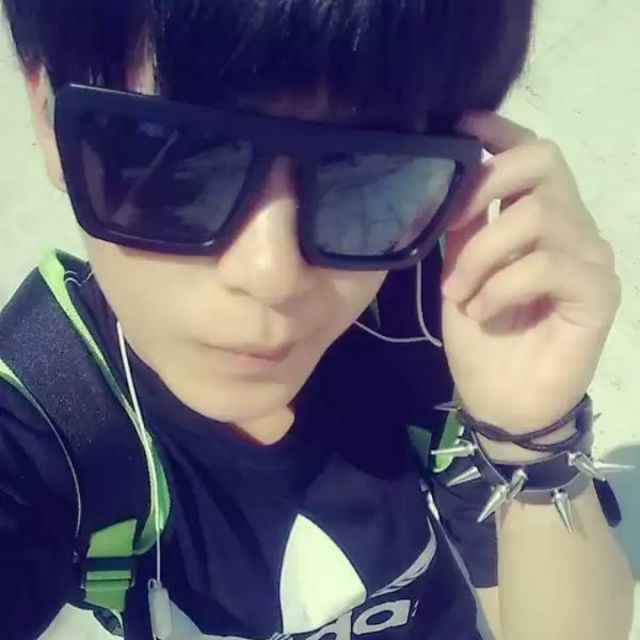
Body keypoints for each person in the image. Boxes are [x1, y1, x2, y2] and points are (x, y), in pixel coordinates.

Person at [0, 1, 634, 639]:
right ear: (45, 112)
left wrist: (531, 439)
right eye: (174, 158)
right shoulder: (42, 419)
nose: (272, 273)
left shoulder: (439, 313)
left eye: (367, 174)